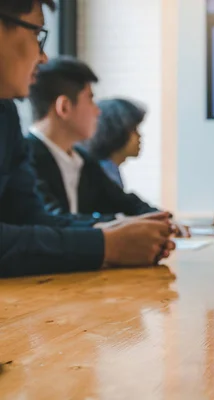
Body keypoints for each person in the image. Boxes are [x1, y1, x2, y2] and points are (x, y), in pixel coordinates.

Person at [0, 0, 175, 277]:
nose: (43, 57)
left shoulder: (6, 114)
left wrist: (111, 231)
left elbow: (31, 218)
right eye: (37, 34)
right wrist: (106, 245)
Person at [26, 57, 186, 231]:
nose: (98, 110)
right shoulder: (23, 157)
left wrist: (161, 219)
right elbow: (53, 220)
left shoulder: (82, 159)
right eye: (90, 99)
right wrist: (121, 223)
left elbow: (123, 202)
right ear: (64, 107)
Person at [84, 98, 145, 189]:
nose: (139, 136)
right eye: (134, 130)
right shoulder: (104, 176)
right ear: (116, 132)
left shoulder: (110, 170)